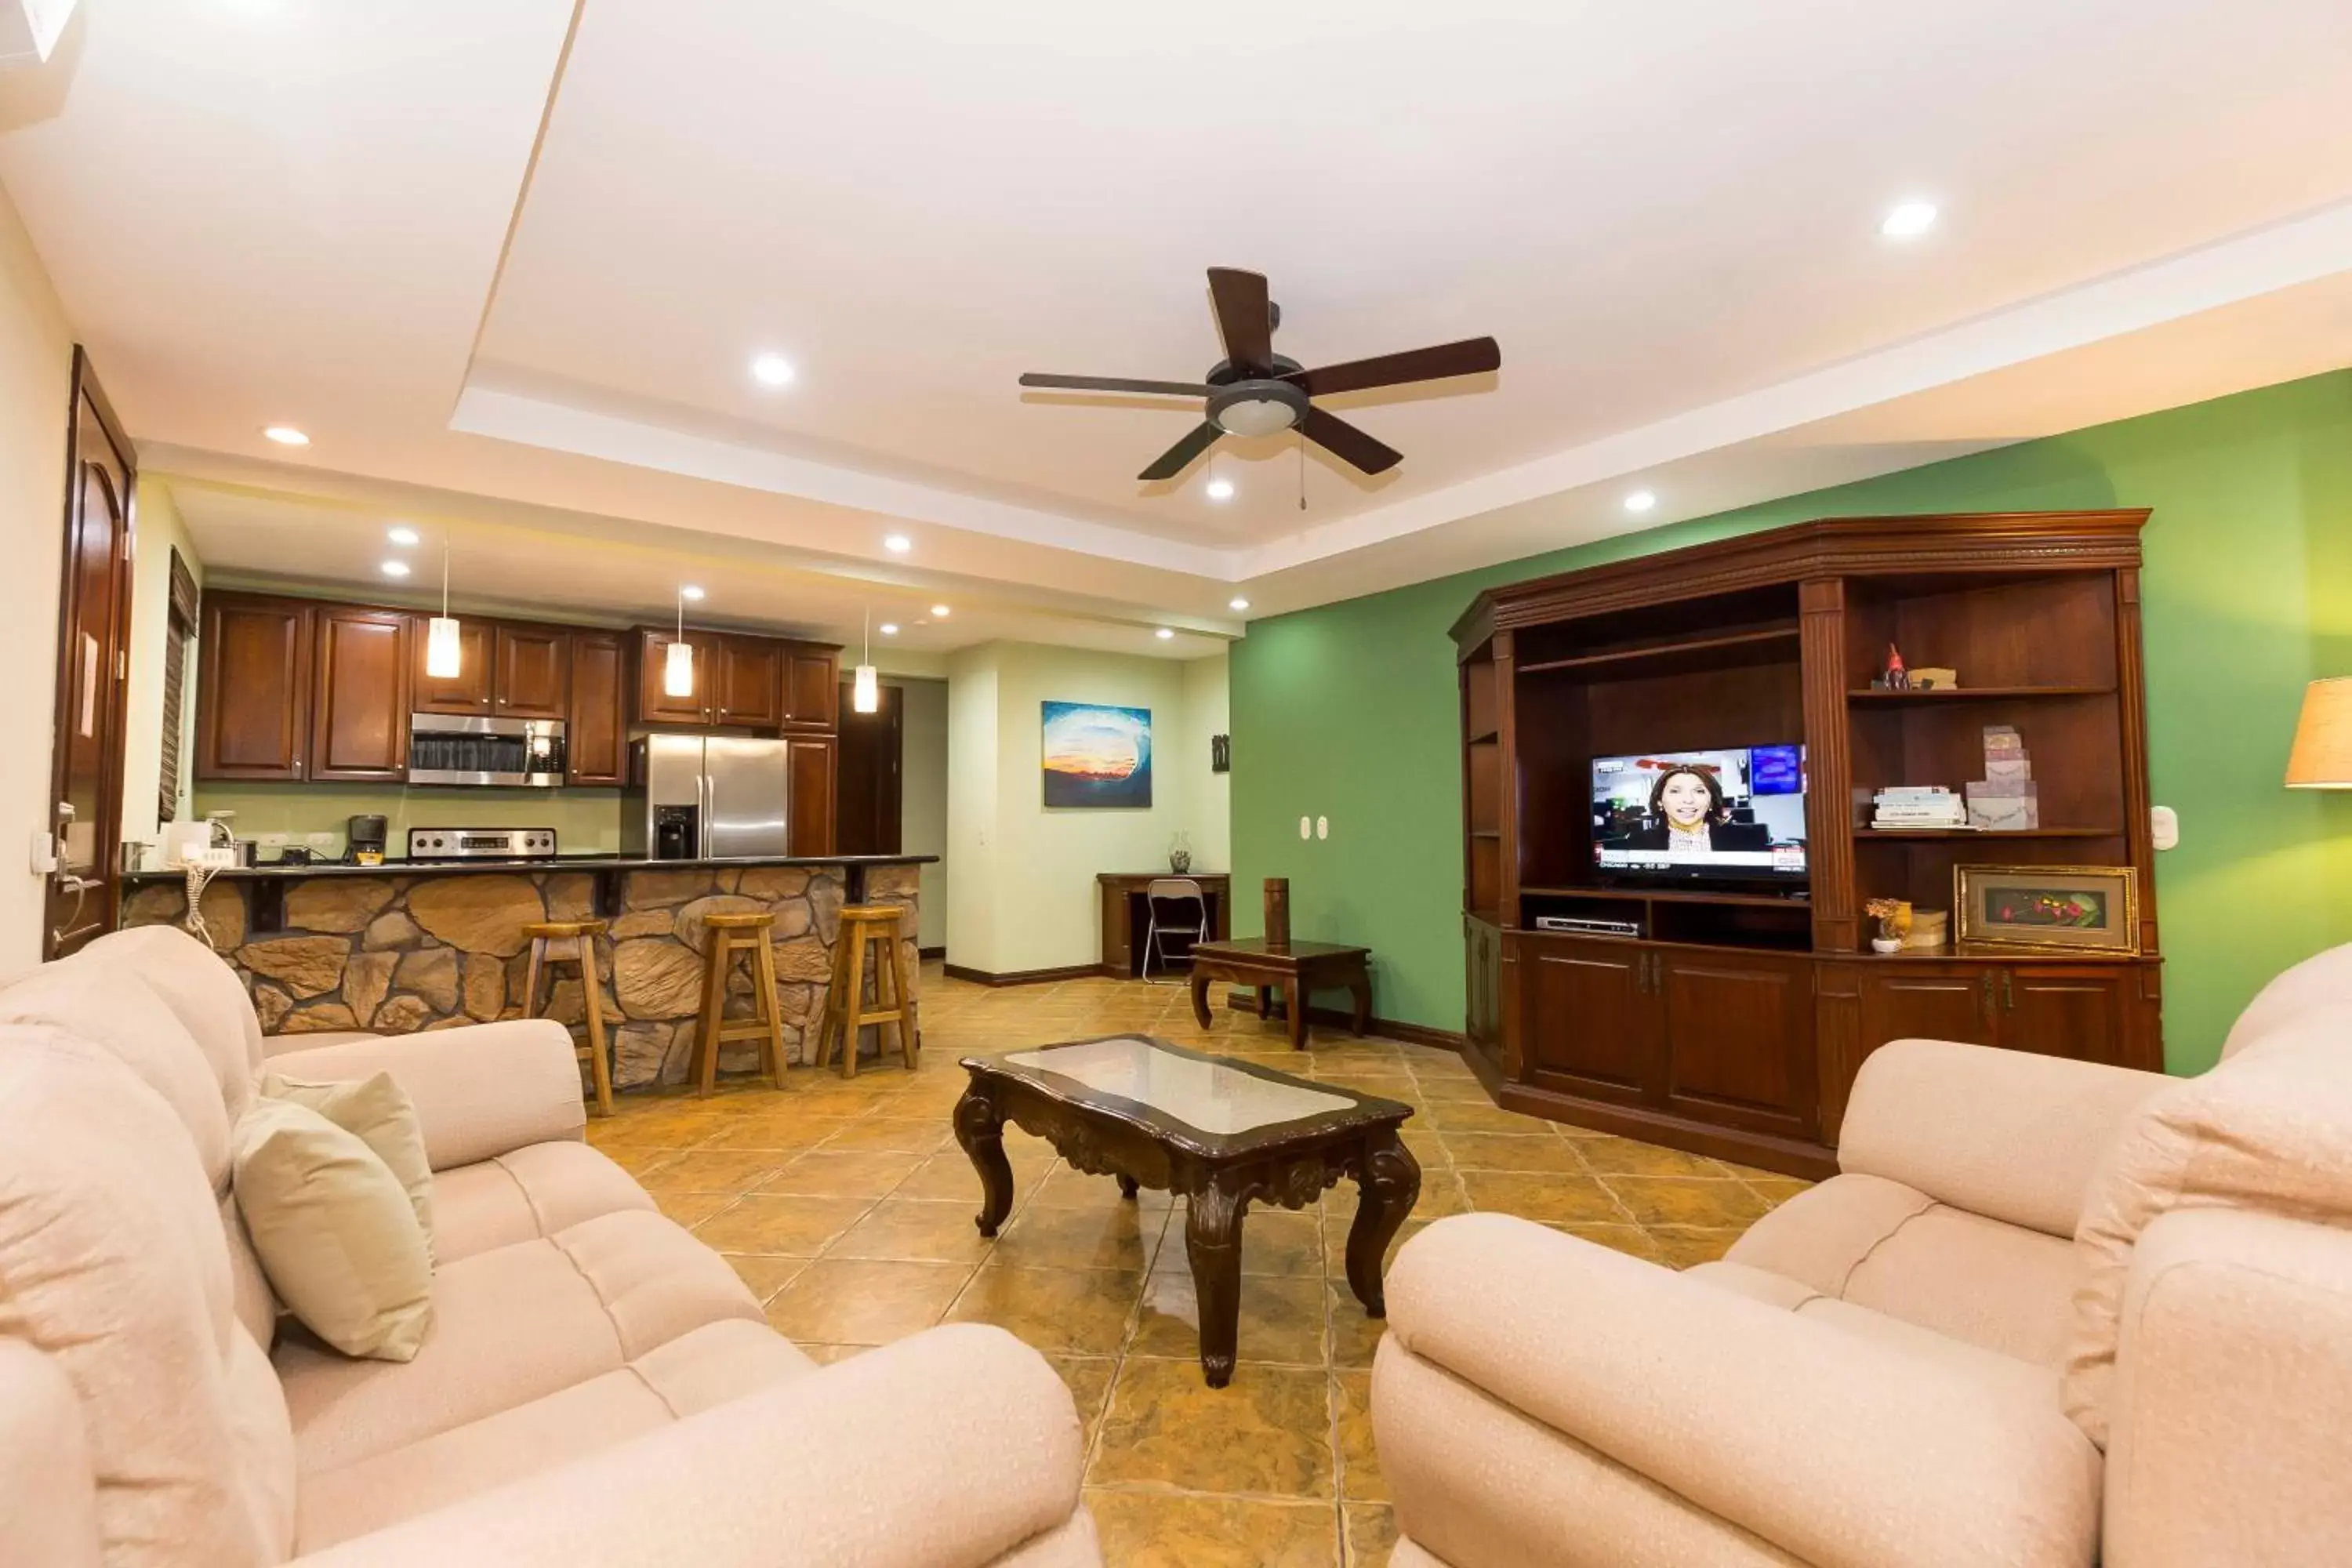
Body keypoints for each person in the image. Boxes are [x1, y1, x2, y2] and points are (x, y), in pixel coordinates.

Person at [1617, 765, 1772, 853]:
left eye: (1699, 791)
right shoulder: (1637, 842)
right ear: (1659, 802)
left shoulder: (1748, 837)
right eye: (1675, 791)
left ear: (1711, 802)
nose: (1688, 800)